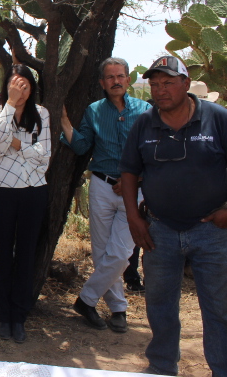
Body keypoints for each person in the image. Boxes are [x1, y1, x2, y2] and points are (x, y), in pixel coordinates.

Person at [120, 55, 227, 377]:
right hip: (159, 231)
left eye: (168, 83)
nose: (160, 90)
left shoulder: (217, 118)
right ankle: (162, 366)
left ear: (185, 83)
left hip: (211, 232)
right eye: (154, 84)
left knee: (218, 307)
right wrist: (134, 218)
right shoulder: (144, 123)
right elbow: (129, 172)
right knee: (160, 305)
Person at [60, 57, 151, 331]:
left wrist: (135, 178)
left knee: (122, 252)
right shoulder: (94, 111)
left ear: (128, 79)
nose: (116, 81)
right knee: (102, 253)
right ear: (102, 82)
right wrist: (64, 121)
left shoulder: (145, 111)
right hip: (101, 185)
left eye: (120, 76)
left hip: (134, 190)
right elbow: (81, 146)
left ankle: (86, 300)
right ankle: (118, 309)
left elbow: (153, 150)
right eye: (110, 77)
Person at [0, 64, 51, 343]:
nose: (20, 90)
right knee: (3, 252)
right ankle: (3, 315)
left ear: (32, 88)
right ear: (7, 87)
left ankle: (19, 316)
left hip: (34, 190)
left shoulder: (42, 114)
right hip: (2, 190)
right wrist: (10, 104)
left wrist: (15, 144)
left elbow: (44, 155)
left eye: (24, 85)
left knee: (26, 253)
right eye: (15, 85)